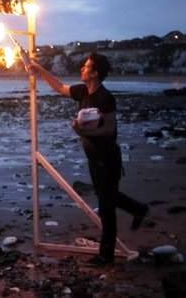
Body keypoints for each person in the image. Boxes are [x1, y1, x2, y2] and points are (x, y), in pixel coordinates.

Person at [29, 52, 148, 266]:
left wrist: (81, 132)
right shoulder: (83, 91)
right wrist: (39, 70)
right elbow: (60, 87)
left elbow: (110, 129)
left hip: (108, 157)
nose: (82, 69)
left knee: (106, 206)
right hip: (93, 157)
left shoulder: (105, 97)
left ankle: (106, 255)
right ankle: (138, 209)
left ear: (94, 73)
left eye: (86, 67)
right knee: (107, 196)